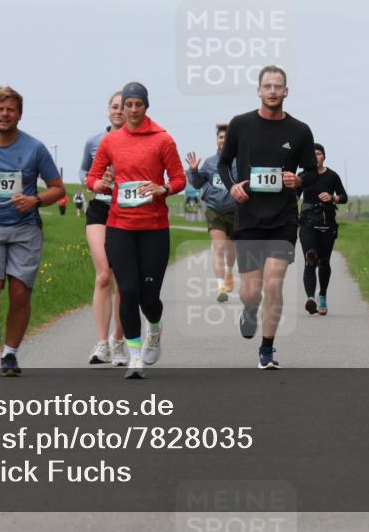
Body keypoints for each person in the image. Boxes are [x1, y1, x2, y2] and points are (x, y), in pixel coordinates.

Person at [0, 86, 66, 376]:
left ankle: (10, 354)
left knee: (20, 294)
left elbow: (58, 189)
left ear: (19, 114)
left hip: (25, 229)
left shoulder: (35, 148)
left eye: (11, 110)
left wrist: (35, 200)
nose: (5, 114)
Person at [218, 65, 316, 369]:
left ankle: (267, 348)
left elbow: (313, 172)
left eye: (278, 86)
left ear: (286, 92)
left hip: (283, 219)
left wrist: (299, 181)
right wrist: (232, 187)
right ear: (259, 91)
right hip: (249, 218)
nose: (273, 91)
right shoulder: (240, 124)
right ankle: (249, 310)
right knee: (251, 291)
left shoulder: (300, 131)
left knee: (274, 284)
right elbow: (224, 164)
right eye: (267, 86)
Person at [86, 82, 186, 379]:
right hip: (120, 226)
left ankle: (154, 329)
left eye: (137, 105)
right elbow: (92, 177)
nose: (131, 110)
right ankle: (134, 355)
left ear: (145, 107)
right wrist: (98, 185)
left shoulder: (163, 140)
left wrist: (163, 188)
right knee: (127, 290)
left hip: (154, 227)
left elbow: (179, 179)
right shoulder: (111, 142)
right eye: (127, 105)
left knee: (149, 297)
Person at [79, 92, 126, 366]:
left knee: (122, 279)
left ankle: (118, 339)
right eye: (115, 106)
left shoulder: (139, 141)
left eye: (125, 106)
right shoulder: (94, 141)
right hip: (99, 208)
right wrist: (97, 183)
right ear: (108, 111)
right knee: (103, 276)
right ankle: (101, 343)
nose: (119, 111)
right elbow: (84, 173)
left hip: (127, 212)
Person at [186, 124, 238, 303]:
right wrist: (193, 170)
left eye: (227, 138)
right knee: (219, 248)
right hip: (214, 210)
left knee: (231, 251)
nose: (223, 141)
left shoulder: (240, 162)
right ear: (217, 140)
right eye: (221, 137)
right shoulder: (209, 163)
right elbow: (197, 184)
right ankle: (221, 287)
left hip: (235, 211)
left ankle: (230, 272)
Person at [297, 143, 348, 315]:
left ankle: (323, 296)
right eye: (312, 154)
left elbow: (344, 197)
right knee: (310, 258)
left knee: (323, 262)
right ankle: (310, 298)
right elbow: (293, 197)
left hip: (327, 224)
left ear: (323, 156)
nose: (315, 157)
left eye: (318, 154)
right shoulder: (302, 176)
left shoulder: (332, 176)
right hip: (307, 223)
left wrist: (332, 197)